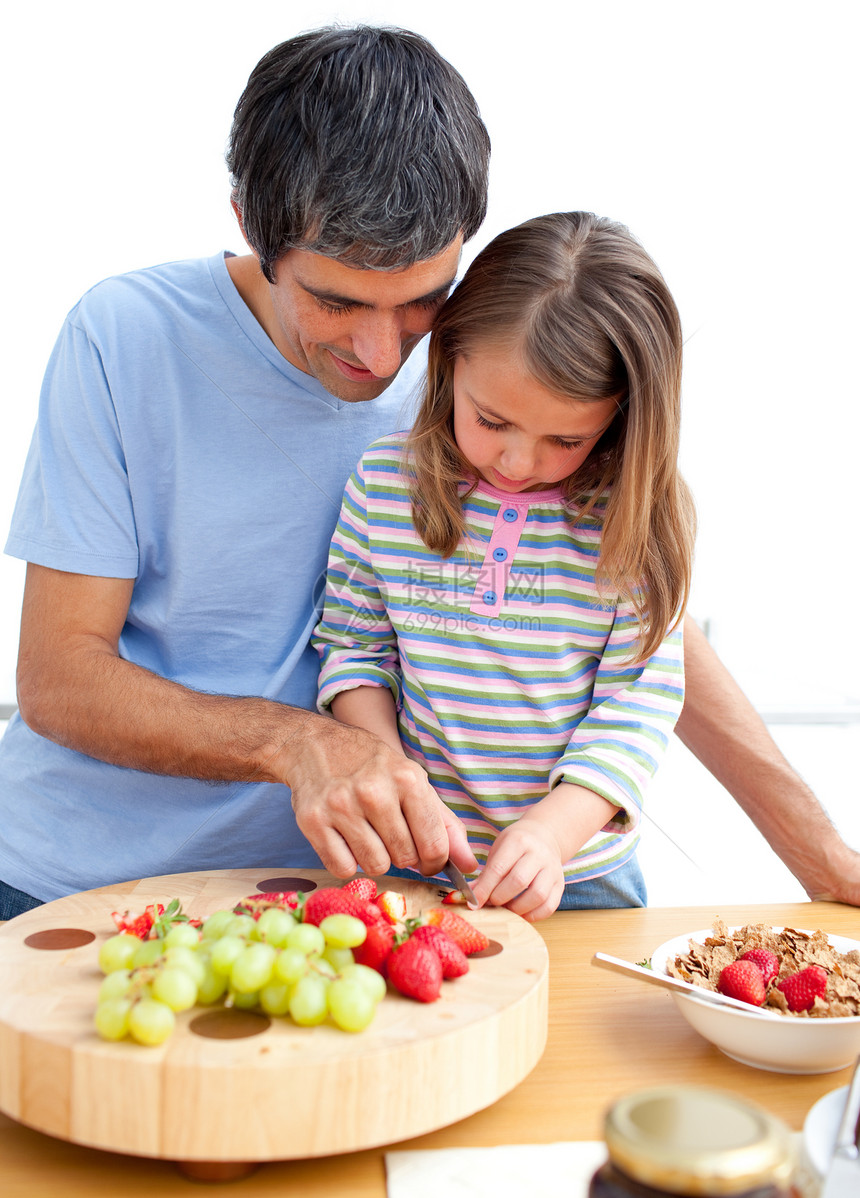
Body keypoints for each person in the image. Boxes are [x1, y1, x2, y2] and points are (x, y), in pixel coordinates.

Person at [1, 25, 858, 921]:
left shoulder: (485, 371)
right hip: (82, 879)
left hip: (361, 902)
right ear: (249, 224)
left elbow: (632, 613)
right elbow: (60, 676)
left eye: (422, 298)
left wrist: (820, 852)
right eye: (335, 300)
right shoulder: (122, 337)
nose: (382, 353)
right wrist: (300, 745)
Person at [312, 212, 694, 919]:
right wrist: (387, 768)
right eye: (491, 421)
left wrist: (550, 836)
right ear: (448, 359)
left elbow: (634, 710)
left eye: (564, 439)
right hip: (409, 857)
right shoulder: (382, 487)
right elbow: (354, 651)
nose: (519, 462)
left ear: (620, 416)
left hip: (577, 878)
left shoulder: (631, 525)